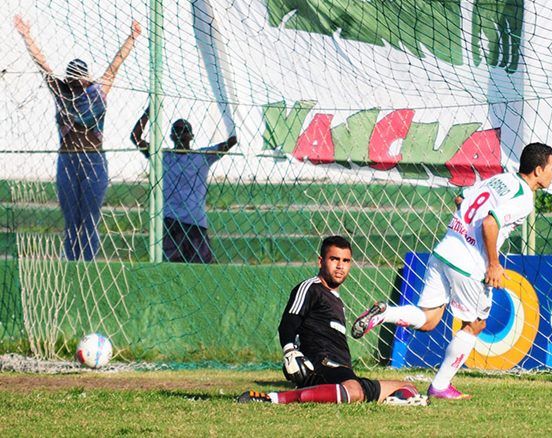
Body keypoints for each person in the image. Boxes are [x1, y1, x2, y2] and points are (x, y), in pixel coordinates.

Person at [351, 143, 552, 400]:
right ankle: (440, 386)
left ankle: (385, 314)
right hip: (469, 264)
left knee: (429, 320)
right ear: (538, 170)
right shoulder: (524, 197)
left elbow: (461, 198)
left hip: (445, 249)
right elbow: (491, 223)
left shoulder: (500, 179)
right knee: (476, 324)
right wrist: (493, 263)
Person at [238, 235, 427, 405]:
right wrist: (289, 351)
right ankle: (274, 399)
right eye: (334, 259)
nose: (340, 266)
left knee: (407, 388)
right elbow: (289, 321)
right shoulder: (310, 288)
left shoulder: (337, 300)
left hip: (342, 371)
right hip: (319, 365)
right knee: (354, 391)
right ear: (321, 261)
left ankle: (362, 395)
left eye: (345, 260)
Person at [14, 16, 142, 261]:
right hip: (68, 160)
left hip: (93, 160)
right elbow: (42, 63)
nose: (75, 79)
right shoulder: (61, 92)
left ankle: (88, 262)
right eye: (72, 75)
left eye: (79, 75)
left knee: (90, 216)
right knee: (72, 217)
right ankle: (71, 259)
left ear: (86, 77)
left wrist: (132, 37)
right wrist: (26, 35)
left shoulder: (97, 92)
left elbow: (116, 64)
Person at [131, 105, 237, 263]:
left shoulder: (202, 156)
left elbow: (231, 142)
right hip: (170, 221)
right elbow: (135, 137)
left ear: (191, 135)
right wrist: (149, 111)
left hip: (195, 222)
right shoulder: (163, 156)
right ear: (171, 135)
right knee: (171, 266)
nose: (181, 133)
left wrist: (231, 118)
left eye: (184, 130)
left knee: (203, 266)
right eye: (177, 130)